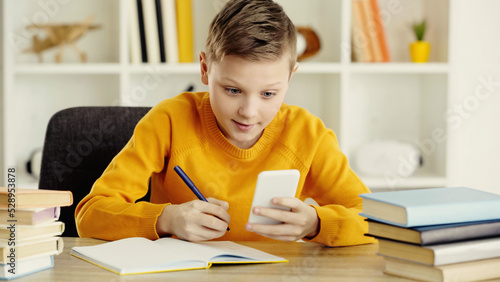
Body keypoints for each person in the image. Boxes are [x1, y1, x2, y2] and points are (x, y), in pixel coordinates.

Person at [75, 0, 375, 247]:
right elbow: (90, 215)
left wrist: (316, 223)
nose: (248, 111)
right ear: (205, 69)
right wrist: (167, 219)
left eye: (268, 93)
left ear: (291, 77)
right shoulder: (168, 120)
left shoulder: (308, 134)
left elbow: (374, 221)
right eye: (233, 90)